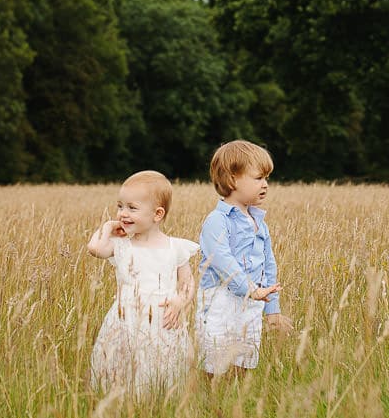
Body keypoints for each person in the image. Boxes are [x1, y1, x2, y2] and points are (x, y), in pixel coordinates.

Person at [86, 170, 199, 394]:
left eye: (132, 208)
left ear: (157, 214)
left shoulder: (174, 247)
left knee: (160, 366)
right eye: (120, 206)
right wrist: (109, 226)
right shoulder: (121, 245)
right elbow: (95, 248)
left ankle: (156, 401)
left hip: (162, 319)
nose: (123, 213)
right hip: (125, 318)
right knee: (123, 364)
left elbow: (187, 283)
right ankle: (122, 401)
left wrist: (179, 302)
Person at [196, 140, 289, 376]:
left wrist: (272, 308)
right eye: (258, 178)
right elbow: (222, 261)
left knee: (244, 357)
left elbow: (269, 265)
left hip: (252, 301)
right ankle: (212, 402)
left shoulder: (259, 223)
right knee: (216, 358)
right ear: (232, 179)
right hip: (220, 300)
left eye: (267, 178)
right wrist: (249, 289)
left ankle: (234, 402)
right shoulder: (218, 221)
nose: (265, 185)